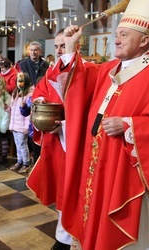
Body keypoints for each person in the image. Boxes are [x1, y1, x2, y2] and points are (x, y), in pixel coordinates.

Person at [59, 0, 149, 248]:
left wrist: (129, 126)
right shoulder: (109, 68)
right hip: (98, 166)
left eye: (123, 35)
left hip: (126, 172)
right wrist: (71, 47)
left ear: (143, 41)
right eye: (116, 34)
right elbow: (76, 85)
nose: (115, 40)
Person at [27, 29, 98, 250]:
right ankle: (64, 236)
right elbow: (42, 92)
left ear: (76, 44)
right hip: (57, 142)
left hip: (78, 141)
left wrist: (67, 125)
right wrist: (38, 99)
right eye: (57, 46)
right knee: (62, 192)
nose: (59, 50)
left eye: (63, 45)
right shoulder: (51, 72)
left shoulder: (90, 70)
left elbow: (89, 108)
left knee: (76, 193)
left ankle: (70, 238)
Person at [8, 72, 32, 173]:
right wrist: (7, 108)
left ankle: (26, 163)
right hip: (15, 125)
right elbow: (13, 110)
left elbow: (29, 114)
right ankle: (19, 161)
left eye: (21, 81)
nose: (19, 83)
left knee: (23, 144)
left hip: (22, 126)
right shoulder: (15, 94)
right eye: (18, 81)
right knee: (18, 144)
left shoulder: (28, 95)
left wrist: (27, 126)